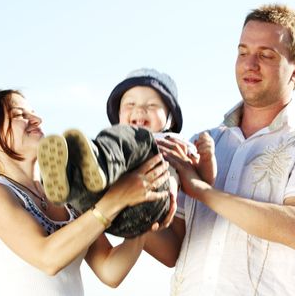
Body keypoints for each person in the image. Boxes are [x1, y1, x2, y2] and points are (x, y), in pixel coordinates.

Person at [148, 4, 295, 295]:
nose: (249, 64)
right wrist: (117, 204)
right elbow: (171, 249)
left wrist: (202, 190)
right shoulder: (205, 141)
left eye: (266, 55)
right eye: (242, 52)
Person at [0, 89, 170, 296]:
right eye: (20, 114)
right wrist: (116, 199)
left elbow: (109, 270)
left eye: (33, 112)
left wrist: (146, 213)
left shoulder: (64, 195)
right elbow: (47, 258)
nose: (37, 119)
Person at [38, 68, 217, 238]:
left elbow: (203, 181)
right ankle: (66, 182)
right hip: (110, 214)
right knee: (91, 168)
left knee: (135, 139)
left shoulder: (173, 141)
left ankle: (94, 167)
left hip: (153, 203)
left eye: (152, 105)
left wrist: (207, 157)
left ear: (170, 119)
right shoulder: (118, 139)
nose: (139, 110)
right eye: (130, 104)